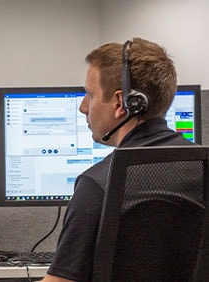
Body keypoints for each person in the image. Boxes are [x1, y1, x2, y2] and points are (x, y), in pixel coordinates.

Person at [41, 37, 195, 282]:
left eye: (90, 95)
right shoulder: (202, 170)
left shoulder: (100, 183)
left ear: (120, 104)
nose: (83, 107)